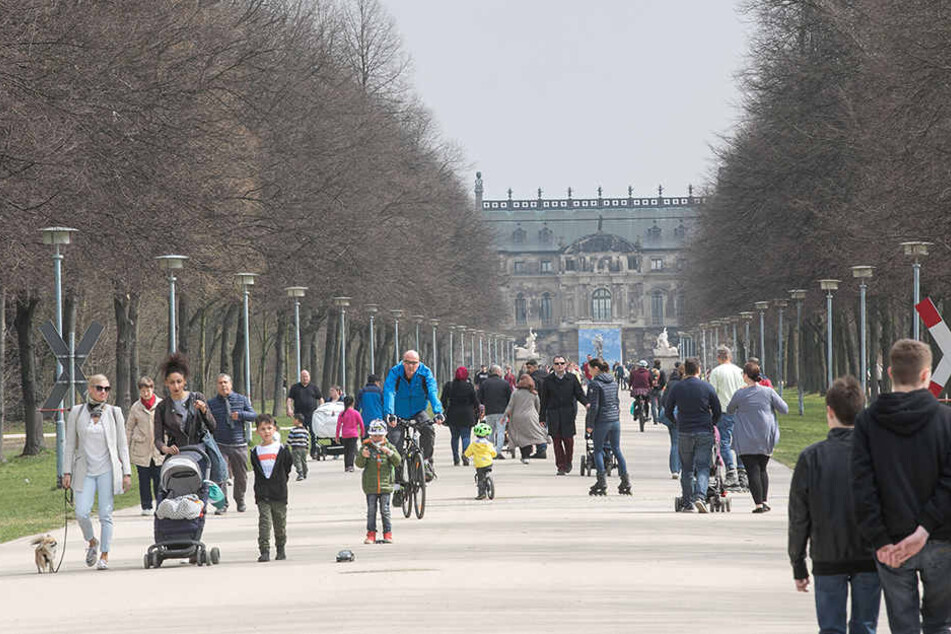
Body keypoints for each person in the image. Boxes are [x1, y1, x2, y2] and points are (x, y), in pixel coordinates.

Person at [852, 339, 951, 632]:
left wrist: (879, 538)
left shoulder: (868, 422)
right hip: (942, 537)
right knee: (941, 624)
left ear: (891, 372)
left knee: (903, 626)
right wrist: (924, 529)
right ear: (925, 375)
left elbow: (862, 487)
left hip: (890, 542)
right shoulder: (946, 421)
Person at [789, 376, 881, 634]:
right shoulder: (876, 454)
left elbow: (799, 517)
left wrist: (798, 563)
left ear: (829, 412)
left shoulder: (811, 457)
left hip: (827, 555)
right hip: (869, 554)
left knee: (830, 628)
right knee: (865, 626)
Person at [63, 374, 132, 570]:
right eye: (99, 388)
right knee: (81, 512)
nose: (103, 392)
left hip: (107, 469)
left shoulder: (114, 412)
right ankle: (92, 542)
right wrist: (66, 472)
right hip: (84, 470)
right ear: (90, 389)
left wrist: (127, 473)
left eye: (107, 389)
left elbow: (122, 445)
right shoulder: (77, 412)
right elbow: (69, 446)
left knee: (105, 514)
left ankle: (104, 554)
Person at [727, 361, 787, 512]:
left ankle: (758, 504)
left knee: (752, 469)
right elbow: (784, 408)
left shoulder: (740, 394)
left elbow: (729, 410)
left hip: (746, 436)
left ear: (746, 376)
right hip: (765, 435)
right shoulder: (768, 392)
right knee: (762, 468)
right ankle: (764, 501)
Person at [664, 357, 721, 513]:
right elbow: (717, 410)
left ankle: (688, 502)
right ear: (699, 370)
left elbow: (667, 410)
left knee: (687, 468)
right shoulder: (707, 387)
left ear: (685, 370)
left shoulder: (677, 388)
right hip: (704, 430)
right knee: (703, 467)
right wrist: (712, 423)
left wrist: (677, 423)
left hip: (685, 431)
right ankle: (700, 497)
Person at [383, 350, 444, 479]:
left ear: (419, 362)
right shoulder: (395, 372)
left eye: (414, 363)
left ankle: (426, 462)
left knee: (429, 430)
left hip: (418, 411)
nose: (411, 366)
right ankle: (397, 480)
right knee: (395, 443)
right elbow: (389, 391)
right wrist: (389, 413)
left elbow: (432, 392)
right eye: (408, 363)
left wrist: (438, 412)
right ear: (403, 362)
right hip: (398, 413)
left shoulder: (425, 373)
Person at [208, 373, 257, 514]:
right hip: (220, 444)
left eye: (225, 382)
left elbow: (253, 416)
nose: (223, 385)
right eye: (220, 383)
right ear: (217, 386)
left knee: (241, 476)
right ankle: (222, 504)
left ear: (230, 384)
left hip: (238, 444)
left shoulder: (241, 400)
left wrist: (241, 415)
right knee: (221, 475)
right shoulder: (212, 404)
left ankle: (240, 499)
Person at [153, 353, 217, 458]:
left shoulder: (198, 397)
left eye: (179, 381)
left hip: (200, 454)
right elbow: (158, 439)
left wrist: (204, 410)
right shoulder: (162, 407)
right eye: (172, 382)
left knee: (220, 472)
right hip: (177, 455)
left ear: (185, 381)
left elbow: (213, 427)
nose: (176, 386)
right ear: (166, 383)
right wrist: (166, 449)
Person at [585, 358, 632, 496]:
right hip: (614, 420)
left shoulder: (595, 384)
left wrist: (589, 425)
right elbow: (616, 402)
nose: (588, 371)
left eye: (590, 368)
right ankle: (625, 480)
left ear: (596, 369)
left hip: (602, 421)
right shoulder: (613, 382)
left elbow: (594, 407)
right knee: (616, 449)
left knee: (598, 450)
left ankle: (601, 481)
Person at [250, 414, 292, 562]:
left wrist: (281, 481)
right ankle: (264, 550)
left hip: (279, 492)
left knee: (280, 522)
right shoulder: (255, 451)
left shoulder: (282, 449)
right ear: (257, 432)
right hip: (263, 494)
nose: (266, 432)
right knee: (265, 522)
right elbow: (256, 470)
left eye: (269, 428)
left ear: (274, 429)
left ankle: (280, 548)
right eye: (262, 429)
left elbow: (287, 467)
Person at [539, 355, 588, 475]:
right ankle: (560, 466)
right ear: (553, 366)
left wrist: (587, 404)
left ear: (565, 365)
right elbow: (543, 399)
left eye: (561, 363)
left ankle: (568, 461)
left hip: (568, 413)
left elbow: (579, 394)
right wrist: (542, 417)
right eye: (556, 364)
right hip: (553, 413)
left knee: (568, 440)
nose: (559, 366)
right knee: (556, 441)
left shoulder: (572, 378)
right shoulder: (548, 380)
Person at [357, 420, 401, 544]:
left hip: (385, 485)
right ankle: (371, 534)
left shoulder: (389, 446)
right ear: (370, 435)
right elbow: (359, 464)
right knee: (371, 511)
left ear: (385, 435)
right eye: (374, 435)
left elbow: (398, 461)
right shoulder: (366, 447)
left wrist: (390, 453)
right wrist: (362, 456)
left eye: (379, 435)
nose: (377, 438)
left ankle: (388, 533)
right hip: (370, 486)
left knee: (385, 510)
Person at [709, 346, 746, 488]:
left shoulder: (716, 372)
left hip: (723, 410)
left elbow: (712, 393)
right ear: (730, 357)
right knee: (740, 441)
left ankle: (730, 470)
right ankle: (742, 470)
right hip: (740, 410)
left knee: (723, 441)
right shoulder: (739, 371)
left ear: (719, 357)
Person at [126, 376, 163, 516]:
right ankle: (146, 506)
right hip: (141, 448)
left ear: (152, 389)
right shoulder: (136, 407)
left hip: (158, 449)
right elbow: (129, 428)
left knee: (159, 479)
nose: (146, 393)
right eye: (143, 391)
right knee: (144, 479)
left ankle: (161, 504)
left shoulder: (161, 404)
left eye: (148, 390)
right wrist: (126, 445)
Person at [441, 366, 481, 466]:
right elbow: (475, 401)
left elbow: (443, 400)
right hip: (467, 414)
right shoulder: (469, 386)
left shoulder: (449, 386)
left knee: (454, 437)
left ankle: (455, 458)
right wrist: (476, 410)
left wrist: (446, 408)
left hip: (453, 414)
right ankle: (465, 455)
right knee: (466, 436)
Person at [504, 374, 548, 464]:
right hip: (530, 416)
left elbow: (510, 406)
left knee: (521, 437)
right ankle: (541, 445)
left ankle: (525, 456)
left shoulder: (515, 393)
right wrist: (538, 415)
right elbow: (538, 406)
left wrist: (505, 416)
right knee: (532, 434)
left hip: (517, 417)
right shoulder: (534, 393)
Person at [477, 365, 512, 461]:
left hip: (489, 411)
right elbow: (510, 398)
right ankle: (498, 452)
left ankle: (490, 450)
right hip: (502, 412)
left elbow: (479, 397)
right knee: (501, 432)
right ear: (498, 372)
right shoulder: (505, 383)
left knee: (490, 432)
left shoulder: (485, 383)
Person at [286, 370, 323, 458]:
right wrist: (289, 409)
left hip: (312, 415)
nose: (305, 378)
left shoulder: (314, 387)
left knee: (313, 434)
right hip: (299, 415)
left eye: (306, 376)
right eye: (303, 377)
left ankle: (313, 451)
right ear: (300, 377)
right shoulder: (295, 387)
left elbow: (320, 398)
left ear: (309, 377)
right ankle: (303, 452)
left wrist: (320, 409)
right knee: (300, 434)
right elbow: (289, 399)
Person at [465, 421, 497, 500]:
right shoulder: (489, 444)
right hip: (488, 463)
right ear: (487, 435)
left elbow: (467, 453)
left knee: (480, 479)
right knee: (486, 472)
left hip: (479, 464)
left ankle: (481, 493)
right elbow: (494, 453)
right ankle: (488, 479)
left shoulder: (473, 445)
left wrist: (465, 456)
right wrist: (493, 455)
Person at [661, 364, 682, 479]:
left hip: (671, 417)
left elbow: (664, 400)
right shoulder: (684, 384)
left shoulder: (670, 383)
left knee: (674, 443)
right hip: (684, 417)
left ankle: (675, 469)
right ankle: (685, 467)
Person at [525, 359, 550, 459]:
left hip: (536, 406)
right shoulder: (547, 376)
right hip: (547, 405)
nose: (528, 370)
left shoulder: (533, 378)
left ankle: (541, 449)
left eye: (529, 367)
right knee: (543, 426)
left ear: (535, 367)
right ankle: (542, 448)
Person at [335, 395, 365, 472]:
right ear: (352, 403)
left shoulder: (342, 414)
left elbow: (338, 426)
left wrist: (337, 436)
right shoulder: (356, 413)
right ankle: (350, 466)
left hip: (345, 434)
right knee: (351, 451)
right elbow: (361, 424)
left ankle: (346, 466)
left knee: (346, 451)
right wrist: (362, 433)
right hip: (354, 434)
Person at [286, 413, 310, 481]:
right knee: (303, 461)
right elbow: (307, 440)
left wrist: (286, 445)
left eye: (294, 420)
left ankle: (300, 473)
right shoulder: (305, 430)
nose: (293, 421)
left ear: (297, 420)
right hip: (304, 448)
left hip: (296, 448)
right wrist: (307, 447)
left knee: (297, 461)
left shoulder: (293, 430)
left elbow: (290, 439)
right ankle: (305, 471)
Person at [629, 360, 652, 427]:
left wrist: (629, 387)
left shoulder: (633, 372)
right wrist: (651, 387)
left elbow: (631, 381)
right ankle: (647, 416)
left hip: (636, 390)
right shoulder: (648, 373)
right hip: (645, 390)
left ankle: (635, 414)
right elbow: (650, 381)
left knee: (636, 401)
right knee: (646, 403)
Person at [649, 359, 667, 424]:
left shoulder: (651, 371)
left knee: (653, 405)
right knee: (660, 405)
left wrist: (651, 386)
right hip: (660, 390)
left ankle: (655, 419)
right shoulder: (662, 371)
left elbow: (648, 380)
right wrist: (660, 387)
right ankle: (660, 418)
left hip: (652, 390)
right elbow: (664, 381)